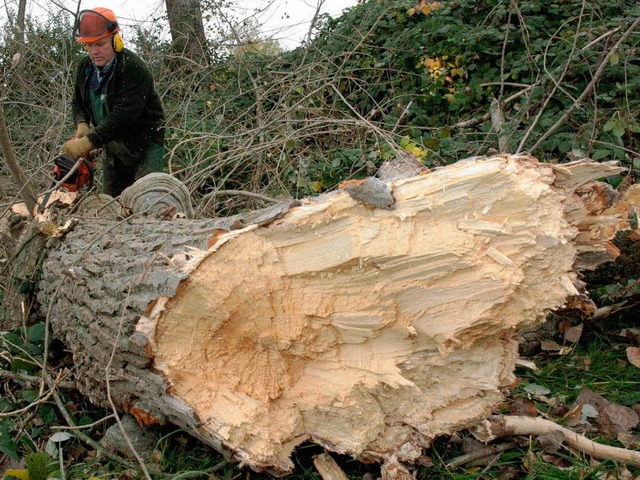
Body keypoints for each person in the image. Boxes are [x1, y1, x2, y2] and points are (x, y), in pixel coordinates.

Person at [62, 8, 166, 197]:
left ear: (115, 40)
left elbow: (123, 116)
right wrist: (82, 123)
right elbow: (78, 100)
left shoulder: (133, 68)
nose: (94, 51)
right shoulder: (85, 68)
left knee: (152, 196)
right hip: (112, 142)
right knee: (111, 201)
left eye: (100, 44)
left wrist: (89, 142)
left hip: (144, 141)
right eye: (89, 45)